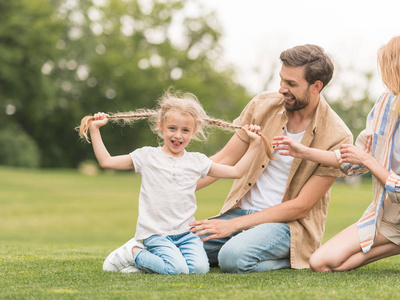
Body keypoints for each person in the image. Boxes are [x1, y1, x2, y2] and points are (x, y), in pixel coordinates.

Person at [273, 33, 400, 277]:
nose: (384, 74)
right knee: (322, 262)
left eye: (387, 66)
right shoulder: (385, 105)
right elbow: (354, 162)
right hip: (390, 213)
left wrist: (368, 161)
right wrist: (304, 151)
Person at [188, 44, 353, 272]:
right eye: (282, 80)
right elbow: (225, 159)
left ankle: (296, 258)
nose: (281, 89)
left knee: (232, 258)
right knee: (178, 245)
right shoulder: (261, 105)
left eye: (291, 84)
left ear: (316, 86)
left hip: (286, 226)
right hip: (239, 212)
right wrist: (181, 186)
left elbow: (301, 207)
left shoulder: (338, 135)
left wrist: (232, 227)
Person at [77, 91, 263, 275]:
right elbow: (106, 161)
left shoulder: (198, 161)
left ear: (194, 131)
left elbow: (237, 172)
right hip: (155, 234)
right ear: (161, 126)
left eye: (185, 130)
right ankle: (133, 253)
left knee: (199, 269)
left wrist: (254, 145)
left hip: (186, 234)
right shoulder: (147, 156)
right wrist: (95, 130)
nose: (178, 136)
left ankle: (149, 263)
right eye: (172, 128)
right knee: (177, 269)